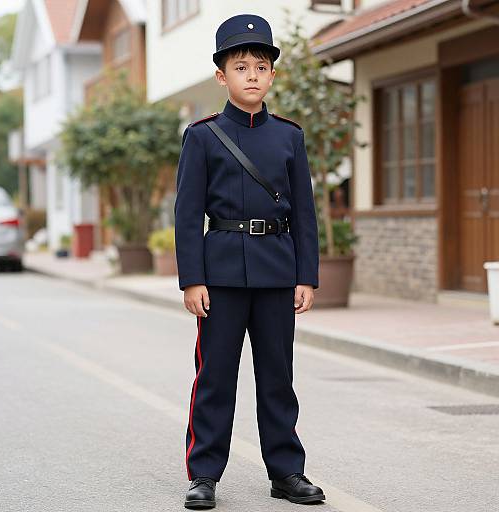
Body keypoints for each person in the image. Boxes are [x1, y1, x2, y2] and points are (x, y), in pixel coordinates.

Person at [174, 13, 325, 509]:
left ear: (272, 75)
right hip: (219, 274)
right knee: (215, 375)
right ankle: (204, 474)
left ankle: (287, 471)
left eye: (261, 65)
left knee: (277, 375)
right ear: (222, 76)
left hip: (278, 272)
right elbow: (187, 212)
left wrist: (307, 276)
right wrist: (191, 279)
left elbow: (304, 211)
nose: (253, 75)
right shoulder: (202, 136)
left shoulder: (289, 137)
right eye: (241, 66)